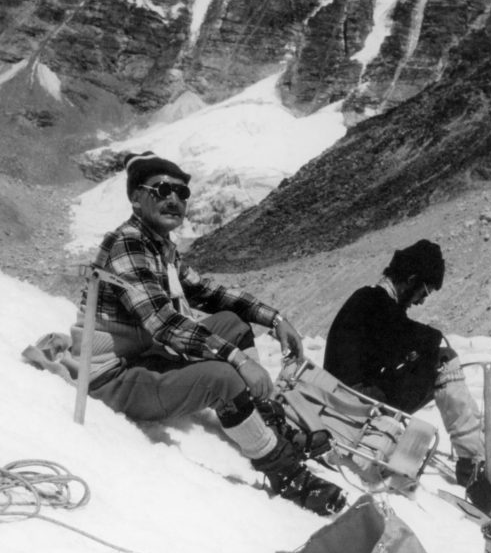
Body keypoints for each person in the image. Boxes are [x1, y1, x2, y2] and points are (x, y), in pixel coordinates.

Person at [70, 151, 345, 517]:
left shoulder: (158, 245)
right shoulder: (128, 245)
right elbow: (164, 324)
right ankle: (284, 471)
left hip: (144, 356)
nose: (174, 200)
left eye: (182, 194)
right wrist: (239, 360)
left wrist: (274, 318)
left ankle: (262, 418)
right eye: (163, 190)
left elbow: (209, 293)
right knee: (221, 376)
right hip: (114, 377)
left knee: (232, 322)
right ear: (136, 198)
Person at [323, 239, 491, 509]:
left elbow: (393, 342)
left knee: (438, 358)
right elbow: (402, 333)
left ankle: (482, 446)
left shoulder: (374, 301)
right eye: (424, 290)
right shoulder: (373, 301)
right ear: (410, 279)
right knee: (443, 360)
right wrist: (432, 343)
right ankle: (474, 455)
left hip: (357, 393)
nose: (422, 300)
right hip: (353, 400)